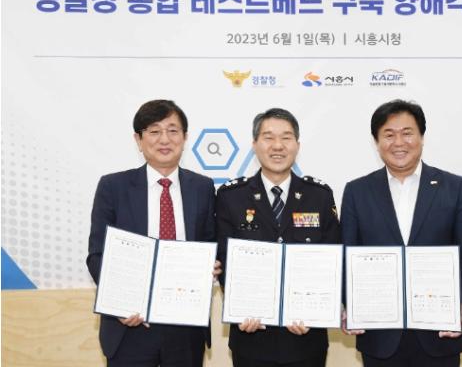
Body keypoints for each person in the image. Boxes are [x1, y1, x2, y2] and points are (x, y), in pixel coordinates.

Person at [340, 99, 462, 367]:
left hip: (439, 333)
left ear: (421, 137)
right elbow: (346, 258)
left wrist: (458, 300)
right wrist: (350, 303)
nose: (398, 142)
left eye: (407, 133)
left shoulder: (454, 188)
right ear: (376, 142)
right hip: (379, 336)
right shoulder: (357, 192)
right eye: (388, 135)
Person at [86, 99, 220, 367]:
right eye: (154, 131)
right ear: (138, 139)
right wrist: (121, 303)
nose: (164, 139)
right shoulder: (113, 187)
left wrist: (213, 266)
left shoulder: (203, 187)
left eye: (173, 130)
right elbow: (97, 256)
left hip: (185, 326)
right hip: (130, 325)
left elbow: (210, 244)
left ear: (185, 137)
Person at [216, 108, 341, 367]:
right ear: (254, 145)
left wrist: (316, 313)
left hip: (306, 339)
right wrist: (239, 309)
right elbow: (224, 259)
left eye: (286, 137)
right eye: (268, 137)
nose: (277, 146)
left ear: (297, 145)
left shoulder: (319, 195)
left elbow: (333, 259)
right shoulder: (231, 196)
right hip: (251, 338)